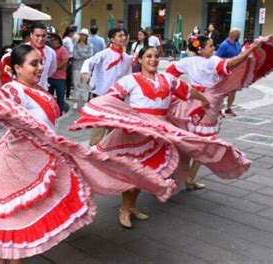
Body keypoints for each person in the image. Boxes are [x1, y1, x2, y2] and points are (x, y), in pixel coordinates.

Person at [0, 45, 177, 264]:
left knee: (13, 231)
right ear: (17, 68)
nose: (40, 67)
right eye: (33, 64)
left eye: (40, 62)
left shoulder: (40, 91)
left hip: (40, 160)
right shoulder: (14, 91)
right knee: (14, 230)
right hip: (17, 164)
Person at [72, 46, 250, 228]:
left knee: (146, 172)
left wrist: (204, 101)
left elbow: (188, 90)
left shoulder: (167, 79)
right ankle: (125, 209)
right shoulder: (129, 80)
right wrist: (111, 116)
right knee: (133, 171)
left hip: (160, 130)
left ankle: (131, 206)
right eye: (148, 56)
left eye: (156, 56)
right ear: (139, 60)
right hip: (135, 132)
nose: (153, 59)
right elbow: (111, 98)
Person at [166, 35, 260, 189]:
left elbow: (170, 74)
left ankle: (181, 174)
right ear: (200, 49)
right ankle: (190, 176)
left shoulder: (187, 61)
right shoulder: (212, 61)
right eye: (210, 46)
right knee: (205, 143)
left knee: (190, 139)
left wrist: (181, 90)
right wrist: (248, 52)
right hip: (208, 103)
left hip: (191, 102)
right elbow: (230, 64)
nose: (213, 48)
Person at [81, 28, 132, 145]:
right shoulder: (103, 54)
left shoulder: (127, 58)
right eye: (120, 36)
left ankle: (109, 149)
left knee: (114, 125)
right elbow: (89, 62)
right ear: (112, 39)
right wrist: (86, 72)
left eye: (124, 35)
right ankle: (94, 149)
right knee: (100, 124)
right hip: (102, 94)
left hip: (118, 96)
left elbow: (128, 76)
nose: (123, 38)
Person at [216, 28, 242, 116]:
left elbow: (240, 55)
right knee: (223, 90)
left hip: (235, 71)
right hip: (225, 70)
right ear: (235, 36)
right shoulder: (224, 45)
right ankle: (219, 109)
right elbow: (217, 59)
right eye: (239, 35)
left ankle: (228, 108)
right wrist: (230, 60)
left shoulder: (237, 43)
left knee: (233, 90)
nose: (240, 37)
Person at [28, 22, 57, 90]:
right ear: (31, 35)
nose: (40, 38)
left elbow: (51, 70)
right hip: (25, 90)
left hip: (42, 88)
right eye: (37, 35)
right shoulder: (23, 49)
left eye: (43, 36)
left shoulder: (51, 52)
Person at [72, 28, 93, 109]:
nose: (83, 37)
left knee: (85, 84)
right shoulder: (75, 45)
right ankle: (76, 101)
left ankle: (84, 101)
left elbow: (90, 56)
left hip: (86, 68)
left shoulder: (90, 45)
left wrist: (80, 54)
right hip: (76, 67)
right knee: (76, 84)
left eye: (84, 35)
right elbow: (75, 56)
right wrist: (84, 55)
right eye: (81, 35)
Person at [48, 33, 69, 113]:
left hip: (60, 78)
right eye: (51, 40)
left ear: (58, 41)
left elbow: (64, 62)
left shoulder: (63, 50)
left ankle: (60, 112)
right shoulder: (50, 50)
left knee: (60, 97)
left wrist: (54, 68)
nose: (52, 42)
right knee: (49, 96)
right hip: (50, 77)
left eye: (53, 40)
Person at [62, 25, 77, 99]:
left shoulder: (65, 39)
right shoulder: (68, 40)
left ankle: (65, 91)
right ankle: (67, 94)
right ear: (71, 33)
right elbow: (71, 51)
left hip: (66, 58)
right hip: (69, 59)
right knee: (68, 77)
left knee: (65, 76)